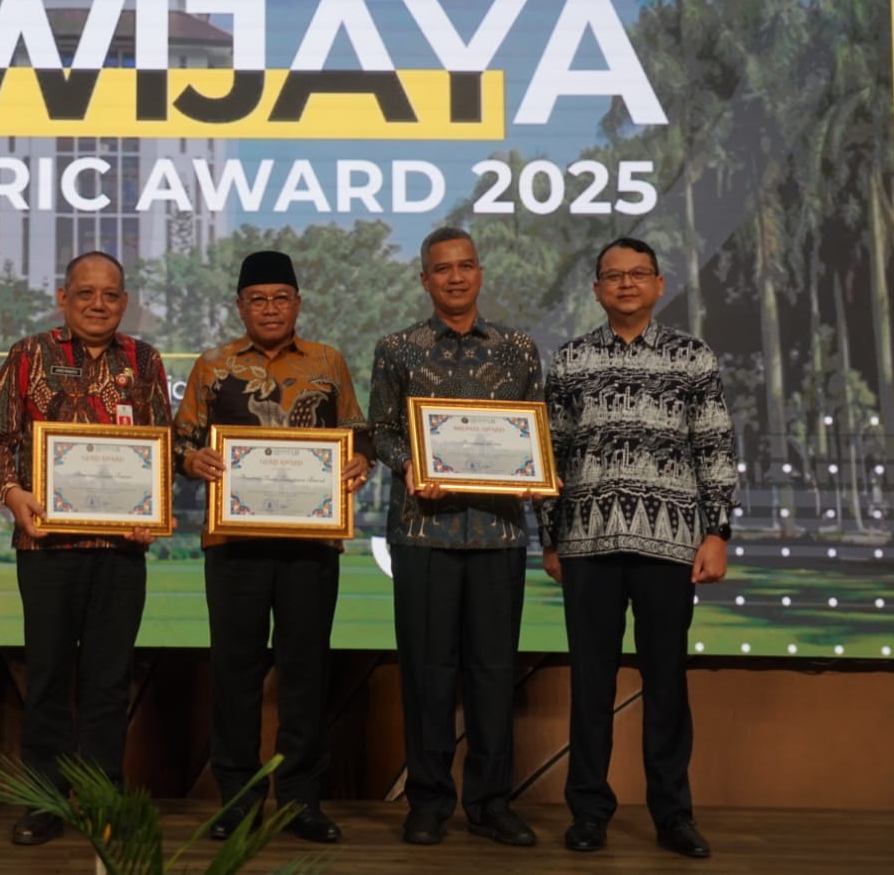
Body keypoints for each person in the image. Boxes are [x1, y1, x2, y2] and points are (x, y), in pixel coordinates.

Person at [540, 236, 736, 860]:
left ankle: (673, 815)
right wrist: (550, 537)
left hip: (670, 545)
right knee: (590, 685)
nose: (626, 283)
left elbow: (714, 446)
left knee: (667, 683)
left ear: (658, 284)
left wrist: (717, 532)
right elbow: (551, 455)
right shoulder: (570, 360)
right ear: (597, 289)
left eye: (638, 273)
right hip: (586, 544)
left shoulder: (692, 357)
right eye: (613, 275)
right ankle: (588, 812)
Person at [173, 250, 372, 844]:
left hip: (311, 544)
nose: (269, 308)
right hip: (234, 542)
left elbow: (356, 432)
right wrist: (192, 459)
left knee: (305, 674)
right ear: (240, 306)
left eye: (280, 298)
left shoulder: (328, 361)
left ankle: (300, 800)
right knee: (234, 674)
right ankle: (238, 801)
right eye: (257, 299)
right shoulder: (213, 365)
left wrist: (360, 460)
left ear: (297, 303)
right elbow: (180, 440)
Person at [0, 250, 171, 847]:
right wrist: (12, 493)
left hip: (121, 549)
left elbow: (161, 443)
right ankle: (44, 800)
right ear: (63, 298)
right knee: (48, 677)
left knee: (109, 681)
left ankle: (102, 798)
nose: (97, 304)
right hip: (46, 546)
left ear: (125, 302)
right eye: (85, 293)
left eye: (110, 295)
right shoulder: (29, 353)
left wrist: (154, 509)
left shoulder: (144, 359)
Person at [367, 225, 542, 848]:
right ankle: (429, 802)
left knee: (494, 675)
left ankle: (491, 804)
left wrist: (534, 477)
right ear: (425, 279)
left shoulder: (518, 349)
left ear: (480, 273)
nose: (456, 276)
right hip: (422, 535)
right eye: (442, 268)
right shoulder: (397, 349)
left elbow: (536, 432)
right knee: (426, 675)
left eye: (465, 265)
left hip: (498, 535)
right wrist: (409, 463)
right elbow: (380, 430)